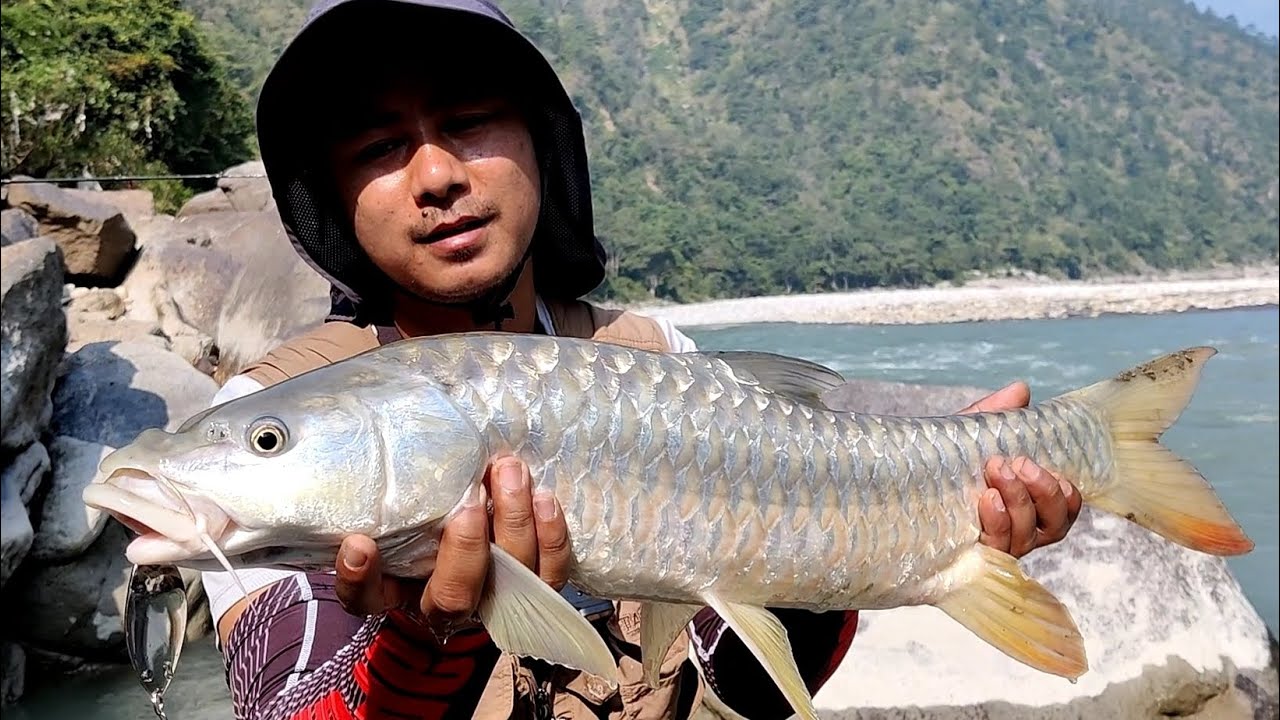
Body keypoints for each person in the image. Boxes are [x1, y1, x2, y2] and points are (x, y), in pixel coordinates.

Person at [202, 1, 1085, 718]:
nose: (436, 174)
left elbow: (748, 691)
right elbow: (279, 702)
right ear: (334, 198)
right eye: (378, 147)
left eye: (468, 122)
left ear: (539, 149)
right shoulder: (265, 427)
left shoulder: (662, 361)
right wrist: (432, 639)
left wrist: (911, 518)